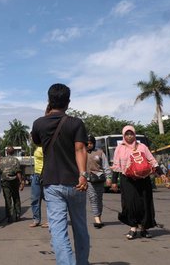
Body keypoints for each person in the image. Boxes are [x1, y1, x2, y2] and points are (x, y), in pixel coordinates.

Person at [31, 83, 89, 265]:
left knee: (58, 230)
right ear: (68, 102)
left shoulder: (39, 123)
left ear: (48, 101)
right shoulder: (76, 123)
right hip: (76, 182)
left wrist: (47, 113)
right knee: (80, 227)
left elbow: (37, 142)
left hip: (52, 183)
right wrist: (83, 175)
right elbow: (80, 149)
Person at [111, 125, 162, 240]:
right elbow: (116, 165)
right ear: (124, 136)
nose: (129, 136)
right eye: (127, 134)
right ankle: (133, 227)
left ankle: (144, 228)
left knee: (145, 203)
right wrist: (114, 182)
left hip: (144, 180)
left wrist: (161, 173)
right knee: (130, 204)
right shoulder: (120, 148)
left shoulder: (142, 146)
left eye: (131, 134)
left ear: (134, 135)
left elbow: (152, 160)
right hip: (127, 180)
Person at [86, 135, 111, 229]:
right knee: (93, 198)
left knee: (99, 199)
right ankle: (96, 218)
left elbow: (105, 166)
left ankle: (99, 217)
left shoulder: (100, 152)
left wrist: (109, 177)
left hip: (99, 179)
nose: (89, 145)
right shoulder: (82, 152)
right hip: (88, 180)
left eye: (91, 143)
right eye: (87, 143)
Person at [0, 146, 25, 223]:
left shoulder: (1, 160)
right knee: (16, 197)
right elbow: (18, 172)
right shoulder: (15, 160)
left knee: (7, 199)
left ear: (7, 152)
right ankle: (17, 214)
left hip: (5, 182)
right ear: (13, 152)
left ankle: (9, 217)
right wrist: (21, 182)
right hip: (14, 181)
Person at [29, 146, 48, 228]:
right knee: (35, 199)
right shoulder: (37, 147)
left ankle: (51, 220)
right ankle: (36, 220)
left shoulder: (46, 146)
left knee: (49, 199)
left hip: (45, 175)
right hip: (36, 175)